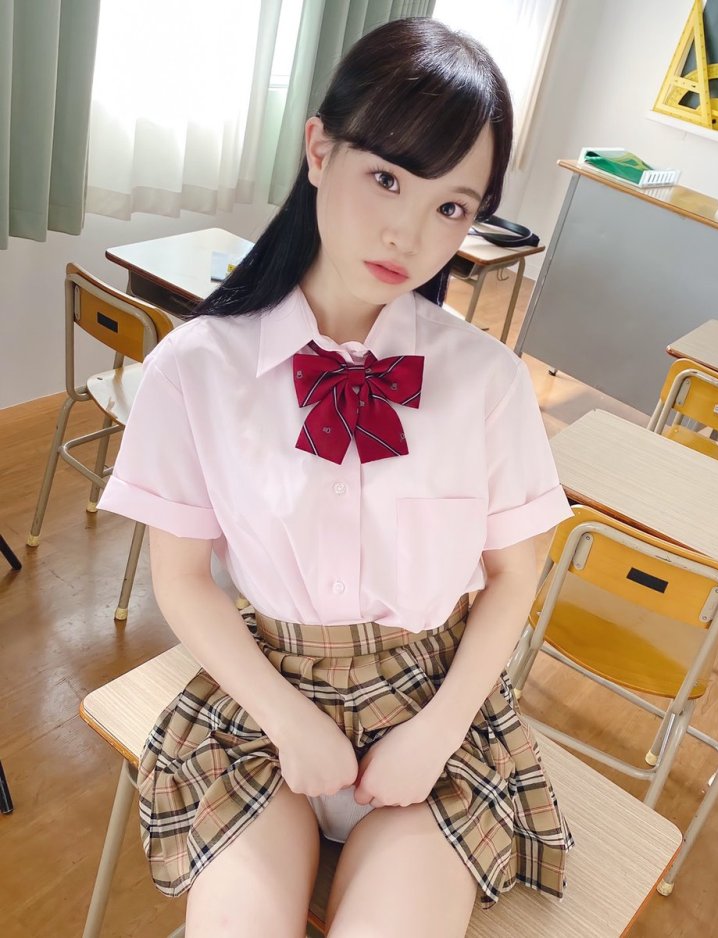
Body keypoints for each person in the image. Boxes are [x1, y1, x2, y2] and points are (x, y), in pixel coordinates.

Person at [98, 16, 574, 938]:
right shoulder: (197, 368)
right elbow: (181, 578)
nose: (409, 231)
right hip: (260, 698)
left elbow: (515, 576)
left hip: (433, 708)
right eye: (387, 178)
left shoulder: (486, 380)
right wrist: (289, 721)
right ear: (320, 150)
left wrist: (435, 733)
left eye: (452, 207)